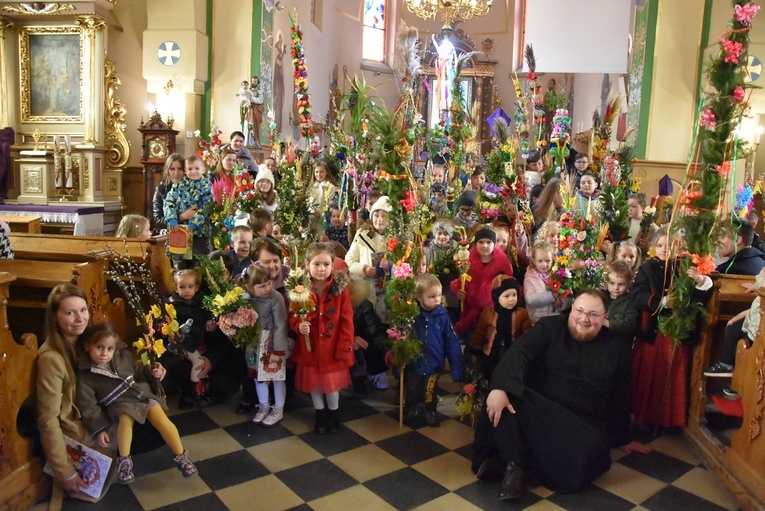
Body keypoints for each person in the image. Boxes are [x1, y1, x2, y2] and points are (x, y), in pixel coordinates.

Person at [483, 290, 649, 498]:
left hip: (581, 422)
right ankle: (515, 466)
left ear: (605, 317)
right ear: (571, 310)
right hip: (539, 408)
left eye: (593, 314)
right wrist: (499, 388)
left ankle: (514, 465)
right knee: (508, 398)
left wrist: (622, 437)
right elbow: (519, 353)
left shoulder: (616, 346)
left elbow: (620, 393)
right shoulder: (549, 327)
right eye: (579, 311)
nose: (584, 319)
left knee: (592, 457)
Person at [75, 323, 197, 483]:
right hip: (119, 403)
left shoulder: (122, 357)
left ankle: (181, 455)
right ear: (87, 346)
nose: (104, 353)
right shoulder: (85, 375)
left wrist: (150, 371)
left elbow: (137, 373)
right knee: (125, 420)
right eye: (99, 347)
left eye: (109, 349)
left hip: (141, 394)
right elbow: (89, 406)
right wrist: (100, 428)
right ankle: (124, 461)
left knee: (161, 418)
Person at [631, 228, 712, 428]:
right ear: (652, 247)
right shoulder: (648, 267)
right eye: (659, 246)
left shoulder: (685, 266)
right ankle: (645, 417)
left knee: (672, 371)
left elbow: (700, 298)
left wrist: (701, 281)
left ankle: (669, 419)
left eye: (669, 246)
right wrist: (663, 302)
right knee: (650, 371)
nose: (664, 250)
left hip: (676, 330)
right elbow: (638, 295)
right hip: (654, 330)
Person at [37, 285, 97, 495]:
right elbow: (47, 419)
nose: (80, 318)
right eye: (70, 312)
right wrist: (64, 471)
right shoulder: (51, 359)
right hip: (76, 430)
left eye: (83, 310)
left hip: (95, 418)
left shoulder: (87, 342)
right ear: (55, 317)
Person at [290, 243, 354, 434]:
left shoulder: (340, 289)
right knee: (315, 384)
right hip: (310, 347)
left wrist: (344, 345)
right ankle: (320, 414)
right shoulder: (300, 288)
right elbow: (293, 314)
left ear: (332, 265)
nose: (321, 269)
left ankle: (333, 414)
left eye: (326, 264)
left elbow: (346, 319)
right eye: (316, 264)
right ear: (307, 264)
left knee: (331, 385)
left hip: (332, 348)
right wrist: (297, 326)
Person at [406, 274, 464, 427]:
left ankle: (430, 410)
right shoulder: (412, 315)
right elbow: (402, 338)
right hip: (415, 361)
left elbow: (452, 343)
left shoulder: (443, 316)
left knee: (430, 390)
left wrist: (457, 370)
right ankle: (411, 407)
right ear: (419, 297)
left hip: (434, 362)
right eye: (431, 296)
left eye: (439, 295)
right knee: (412, 387)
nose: (437, 299)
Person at [242, 265, 290, 426]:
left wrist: (278, 350)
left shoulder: (276, 298)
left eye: (269, 283)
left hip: (271, 343)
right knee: (258, 378)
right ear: (249, 287)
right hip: (254, 344)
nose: (267, 288)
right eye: (262, 286)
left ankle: (278, 408)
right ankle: (263, 406)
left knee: (276, 377)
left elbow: (281, 324)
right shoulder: (245, 298)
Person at [165, 269, 216, 408]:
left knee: (202, 366)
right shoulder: (173, 305)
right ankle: (192, 393)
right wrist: (171, 331)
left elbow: (207, 316)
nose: (186, 290)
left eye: (190, 287)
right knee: (198, 362)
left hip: (197, 340)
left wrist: (210, 323)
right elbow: (166, 322)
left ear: (197, 287)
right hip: (184, 343)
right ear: (176, 288)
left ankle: (201, 390)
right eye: (182, 287)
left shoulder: (202, 301)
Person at [704, 265, 764, 383]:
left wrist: (760, 280)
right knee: (733, 329)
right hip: (756, 312)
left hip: (761, 319)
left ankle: (741, 384)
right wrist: (755, 286)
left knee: (748, 348)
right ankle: (726, 365)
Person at [450, 227, 514, 336]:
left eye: (489, 242)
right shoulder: (467, 260)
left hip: (494, 312)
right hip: (471, 311)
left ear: (494, 244)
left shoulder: (503, 262)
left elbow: (510, 286)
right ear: (476, 243)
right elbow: (462, 281)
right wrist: (459, 292)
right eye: (481, 242)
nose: (485, 245)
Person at [469, 275, 531, 383]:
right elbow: (480, 333)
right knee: (491, 373)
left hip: (512, 352)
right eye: (506, 296)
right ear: (497, 297)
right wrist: (475, 351)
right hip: (492, 352)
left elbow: (526, 334)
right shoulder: (488, 313)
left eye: (514, 295)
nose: (511, 299)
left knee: (510, 374)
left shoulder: (522, 313)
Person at [346, 196, 392, 322]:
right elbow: (349, 261)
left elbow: (406, 265)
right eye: (376, 215)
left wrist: (390, 267)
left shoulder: (397, 239)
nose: (380, 219)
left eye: (384, 216)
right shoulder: (363, 235)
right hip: (367, 293)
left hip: (389, 295)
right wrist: (363, 269)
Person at [164, 155, 213, 269]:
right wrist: (172, 219)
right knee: (179, 264)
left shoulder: (207, 188)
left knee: (197, 264)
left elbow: (206, 208)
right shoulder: (177, 186)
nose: (193, 172)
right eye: (190, 169)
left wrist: (194, 223)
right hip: (179, 230)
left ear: (203, 169)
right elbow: (168, 203)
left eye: (197, 168)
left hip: (198, 233)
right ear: (185, 171)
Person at [524, 241, 565, 325]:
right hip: (537, 321)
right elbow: (530, 299)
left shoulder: (558, 274)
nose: (544, 264)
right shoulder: (530, 277)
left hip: (556, 319)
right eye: (540, 261)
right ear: (534, 261)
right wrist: (551, 296)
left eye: (547, 261)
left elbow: (568, 294)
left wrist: (561, 303)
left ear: (552, 259)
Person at [602, 261, 638, 338]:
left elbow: (629, 325)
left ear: (629, 284)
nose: (616, 288)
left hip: (619, 340)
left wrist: (608, 323)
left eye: (621, 284)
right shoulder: (600, 297)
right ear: (606, 282)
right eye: (612, 283)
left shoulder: (630, 302)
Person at [153, 153, 185, 232]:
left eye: (180, 169)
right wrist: (181, 217)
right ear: (167, 171)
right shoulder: (161, 190)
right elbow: (158, 220)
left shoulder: (192, 188)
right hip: (169, 234)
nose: (176, 173)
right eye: (172, 169)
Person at [309, 160, 339, 237]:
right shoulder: (311, 187)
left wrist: (321, 213)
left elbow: (332, 206)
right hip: (310, 221)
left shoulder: (331, 187)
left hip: (324, 223)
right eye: (316, 172)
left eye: (321, 172)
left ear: (326, 172)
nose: (319, 174)